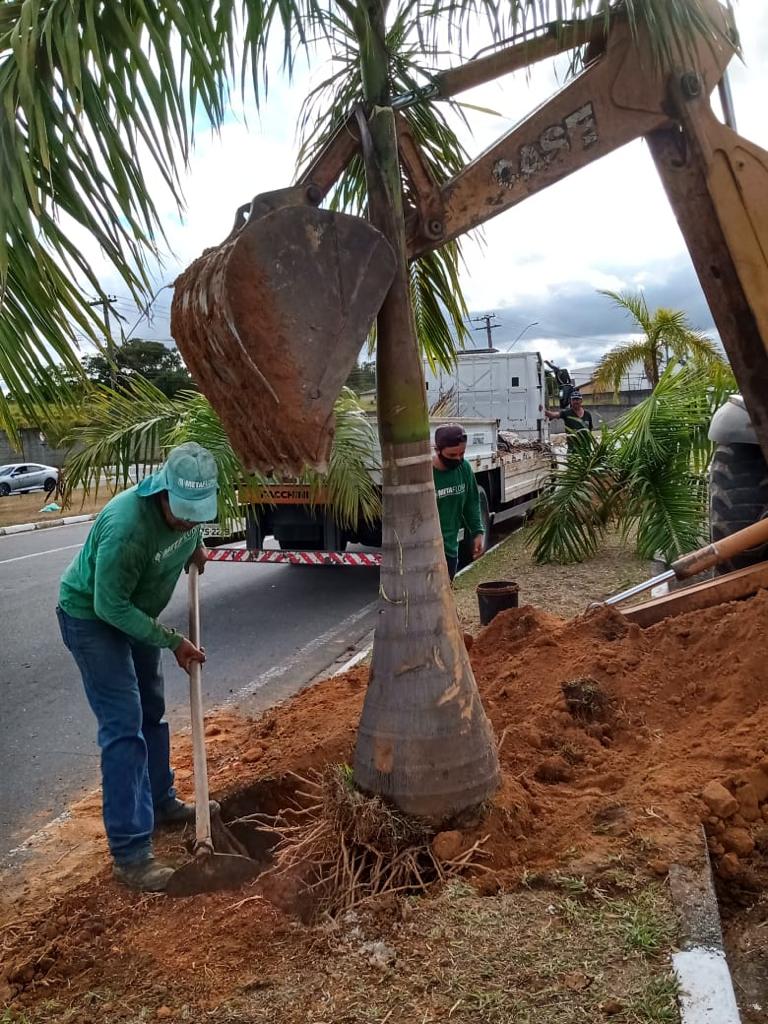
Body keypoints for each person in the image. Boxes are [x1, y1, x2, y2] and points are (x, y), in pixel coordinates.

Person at [57, 443, 218, 892]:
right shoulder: (126, 526)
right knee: (124, 725)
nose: (189, 520)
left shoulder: (187, 518)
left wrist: (196, 546)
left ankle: (161, 802)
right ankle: (130, 854)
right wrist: (171, 641)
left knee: (152, 710)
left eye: (197, 514)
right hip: (92, 617)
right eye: (184, 512)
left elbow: (185, 534)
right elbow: (109, 606)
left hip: (137, 614)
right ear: (162, 490)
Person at [432, 423, 485, 581]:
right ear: (438, 450)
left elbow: (471, 502)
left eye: (462, 453)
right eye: (452, 455)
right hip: (427, 553)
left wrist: (478, 532)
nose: (458, 459)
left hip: (450, 551)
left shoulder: (464, 469)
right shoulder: (426, 474)